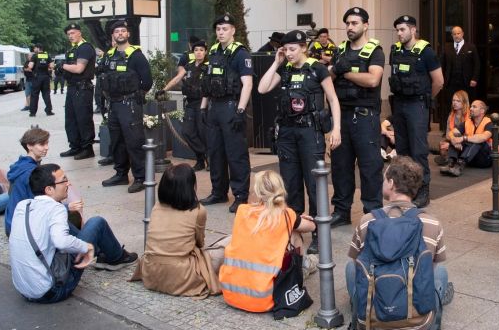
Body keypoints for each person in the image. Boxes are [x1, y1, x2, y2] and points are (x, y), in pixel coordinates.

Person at [346, 156, 453, 330]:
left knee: (351, 267)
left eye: (384, 179)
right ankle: (437, 299)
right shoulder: (432, 223)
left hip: (371, 321)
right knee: (440, 271)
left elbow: (356, 260)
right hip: (418, 322)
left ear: (391, 183)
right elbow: (432, 266)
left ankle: (361, 305)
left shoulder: (367, 221)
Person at [258, 30, 342, 249]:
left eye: (293, 49)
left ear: (304, 47)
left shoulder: (317, 69)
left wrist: (336, 130)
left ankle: (317, 233)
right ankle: (295, 229)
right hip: (287, 133)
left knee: (314, 185)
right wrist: (276, 63)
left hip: (310, 133)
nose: (289, 53)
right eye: (285, 49)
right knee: (291, 184)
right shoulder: (284, 69)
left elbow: (333, 99)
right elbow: (262, 87)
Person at [8, 164, 138, 304]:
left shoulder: (23, 205)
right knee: (97, 223)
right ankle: (116, 258)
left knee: (66, 226)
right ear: (49, 189)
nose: (68, 183)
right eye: (64, 180)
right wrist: (86, 247)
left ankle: (101, 251)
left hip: (25, 289)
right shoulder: (56, 209)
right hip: (51, 291)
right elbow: (61, 242)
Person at [219, 170, 316, 313]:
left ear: (257, 192)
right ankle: (303, 266)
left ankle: (305, 264)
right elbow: (312, 226)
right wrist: (299, 218)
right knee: (294, 232)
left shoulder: (242, 210)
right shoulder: (286, 215)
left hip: (230, 293)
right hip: (263, 300)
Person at [327, 7, 385, 227]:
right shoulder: (340, 50)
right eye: (347, 24)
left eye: (354, 23)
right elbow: (329, 78)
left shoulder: (375, 51)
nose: (350, 27)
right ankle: (342, 212)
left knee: (370, 168)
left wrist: (345, 72)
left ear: (365, 25)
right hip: (341, 117)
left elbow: (372, 80)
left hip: (365, 118)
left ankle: (372, 214)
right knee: (340, 167)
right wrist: (334, 69)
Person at [130, 164, 221, 298]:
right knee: (226, 247)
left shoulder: (157, 207)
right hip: (182, 276)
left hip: (151, 273)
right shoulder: (198, 211)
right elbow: (200, 243)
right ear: (190, 187)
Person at [199, 13, 253, 213]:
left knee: (236, 153)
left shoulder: (240, 53)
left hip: (231, 107)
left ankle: (241, 195)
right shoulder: (213, 51)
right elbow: (207, 82)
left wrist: (241, 110)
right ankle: (218, 191)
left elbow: (247, 83)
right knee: (215, 152)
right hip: (214, 107)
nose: (221, 32)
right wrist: (203, 106)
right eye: (218, 29)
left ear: (233, 31)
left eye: (225, 29)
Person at [388, 15, 444, 208]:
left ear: (413, 30)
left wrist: (427, 98)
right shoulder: (395, 50)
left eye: (402, 29)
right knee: (402, 149)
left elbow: (439, 81)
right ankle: (405, 188)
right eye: (397, 30)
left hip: (417, 105)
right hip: (399, 104)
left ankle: (423, 189)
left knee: (418, 150)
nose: (399, 33)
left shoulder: (426, 52)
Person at [98, 20, 153, 193]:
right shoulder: (109, 55)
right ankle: (121, 174)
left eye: (123, 30)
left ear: (128, 34)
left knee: (134, 141)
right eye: (117, 31)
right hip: (113, 104)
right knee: (117, 141)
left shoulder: (136, 55)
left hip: (129, 104)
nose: (120, 33)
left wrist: (135, 95)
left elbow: (147, 81)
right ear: (113, 35)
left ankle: (140, 177)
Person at [4, 127, 84, 236]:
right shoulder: (29, 172)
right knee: (69, 218)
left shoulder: (21, 165)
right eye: (42, 144)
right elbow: (39, 205)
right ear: (29, 146)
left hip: (14, 221)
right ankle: (84, 243)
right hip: (22, 226)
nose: (47, 148)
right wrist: (66, 207)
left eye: (47, 143)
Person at [162, 39, 209, 171]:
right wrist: (164, 89)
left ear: (205, 52)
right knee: (187, 132)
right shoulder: (189, 66)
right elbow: (177, 78)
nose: (198, 53)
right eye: (196, 50)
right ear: (192, 52)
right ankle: (202, 156)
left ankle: (206, 159)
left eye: (201, 50)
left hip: (203, 103)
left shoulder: (208, 66)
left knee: (203, 132)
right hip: (190, 103)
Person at [60, 23, 97, 160]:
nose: (71, 36)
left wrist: (62, 66)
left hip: (82, 88)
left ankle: (87, 148)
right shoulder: (72, 49)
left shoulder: (85, 48)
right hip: (72, 86)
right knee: (70, 119)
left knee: (83, 119)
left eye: (73, 33)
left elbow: (79, 68)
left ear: (80, 33)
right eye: (69, 34)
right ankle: (75, 147)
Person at [440, 100, 493, 177]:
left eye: (474, 107)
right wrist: (455, 141)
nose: (471, 108)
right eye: (471, 106)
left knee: (478, 140)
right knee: (455, 136)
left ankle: (459, 166)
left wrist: (464, 138)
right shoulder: (468, 122)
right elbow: (450, 134)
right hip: (470, 158)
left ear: (482, 111)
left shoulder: (489, 123)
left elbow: (484, 137)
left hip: (485, 159)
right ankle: (451, 163)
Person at [441, 26, 480, 101]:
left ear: (462, 34)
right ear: (452, 35)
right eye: (454, 34)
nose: (456, 35)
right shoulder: (446, 47)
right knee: (451, 103)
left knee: (466, 103)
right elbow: (442, 64)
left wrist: (474, 78)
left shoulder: (471, 47)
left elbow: (477, 64)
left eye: (458, 33)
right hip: (450, 82)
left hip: (467, 82)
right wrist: (442, 80)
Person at [436, 90, 471, 166]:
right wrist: (452, 142)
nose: (455, 103)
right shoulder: (451, 115)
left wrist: (452, 144)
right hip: (453, 139)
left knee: (448, 147)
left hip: (465, 141)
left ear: (464, 103)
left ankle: (449, 159)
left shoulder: (470, 116)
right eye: (453, 100)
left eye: (458, 101)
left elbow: (469, 135)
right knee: (442, 145)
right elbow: (448, 134)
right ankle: (450, 158)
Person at [27, 43, 54, 117]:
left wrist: (30, 68)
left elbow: (30, 66)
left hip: (37, 77)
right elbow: (52, 66)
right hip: (46, 77)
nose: (34, 49)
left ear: (38, 48)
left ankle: (33, 112)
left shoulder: (35, 56)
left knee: (35, 95)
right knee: (46, 94)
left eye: (35, 48)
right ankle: (49, 111)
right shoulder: (47, 55)